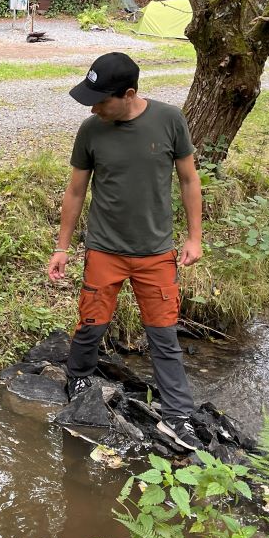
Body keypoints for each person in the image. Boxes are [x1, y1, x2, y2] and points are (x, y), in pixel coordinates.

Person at [48, 52, 204, 452]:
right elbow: (76, 191)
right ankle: (78, 374)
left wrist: (194, 238)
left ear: (129, 93)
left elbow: (188, 180)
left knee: (163, 333)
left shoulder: (169, 120)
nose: (94, 107)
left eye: (101, 100)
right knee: (92, 320)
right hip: (105, 248)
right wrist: (62, 246)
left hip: (155, 251)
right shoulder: (91, 131)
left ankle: (177, 416)